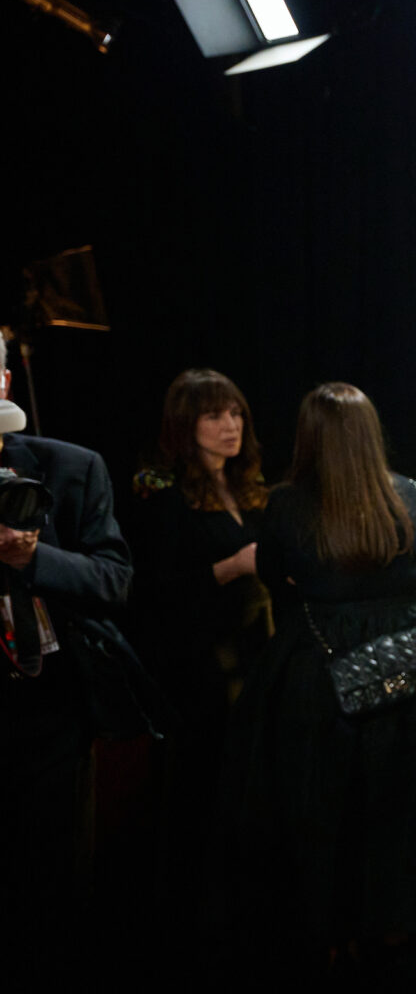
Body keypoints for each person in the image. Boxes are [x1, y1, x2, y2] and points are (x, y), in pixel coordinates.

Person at [221, 383, 416, 986]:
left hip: (320, 682)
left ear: (308, 437)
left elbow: (275, 578)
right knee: (411, 810)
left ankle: (331, 932)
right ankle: (411, 926)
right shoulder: (409, 494)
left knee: (326, 810)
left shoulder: (286, 505)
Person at [0, 335, 147, 982]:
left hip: (48, 714)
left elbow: (115, 580)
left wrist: (32, 557)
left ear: (5, 389)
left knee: (53, 885)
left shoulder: (69, 468)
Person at [130, 371, 272, 826]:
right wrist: (232, 567)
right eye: (214, 415)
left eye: (236, 414)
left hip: (254, 651)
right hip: (198, 668)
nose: (231, 426)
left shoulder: (246, 486)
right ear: (185, 423)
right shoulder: (161, 492)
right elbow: (152, 591)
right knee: (203, 795)